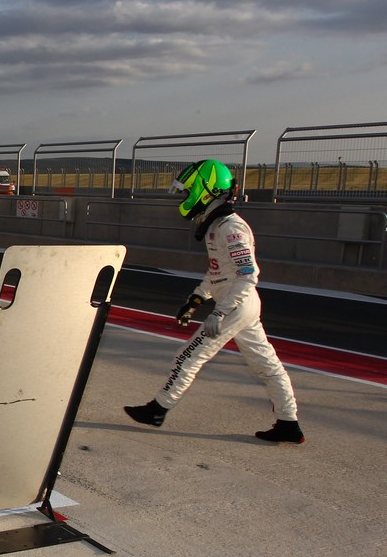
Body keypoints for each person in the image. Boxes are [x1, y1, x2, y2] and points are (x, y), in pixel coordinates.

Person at [124, 159, 304, 444]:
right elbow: (218, 272)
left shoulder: (230, 228)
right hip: (240, 304)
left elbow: (248, 275)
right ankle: (289, 423)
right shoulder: (216, 225)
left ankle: (158, 409)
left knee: (188, 356)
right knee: (267, 365)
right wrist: (195, 299)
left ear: (206, 190)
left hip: (236, 304)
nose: (185, 197)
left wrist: (219, 313)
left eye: (188, 191)